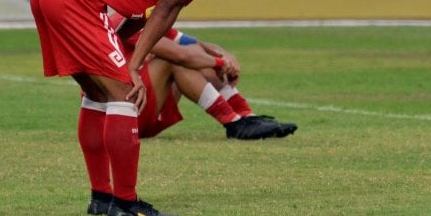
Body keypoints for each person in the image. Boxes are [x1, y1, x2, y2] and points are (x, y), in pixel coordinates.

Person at [30, 0, 284, 216]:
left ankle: (101, 198)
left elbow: (146, 13)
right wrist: (132, 67)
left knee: (97, 94)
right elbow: (167, 9)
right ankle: (125, 203)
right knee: (125, 96)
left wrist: (122, 56)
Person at [109, 12, 298, 140]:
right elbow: (179, 55)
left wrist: (222, 54)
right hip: (124, 115)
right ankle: (233, 123)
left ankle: (247, 116)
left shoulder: (146, 15)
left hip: (138, 105)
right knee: (177, 61)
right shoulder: (125, 20)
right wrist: (221, 63)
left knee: (199, 57)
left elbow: (192, 43)